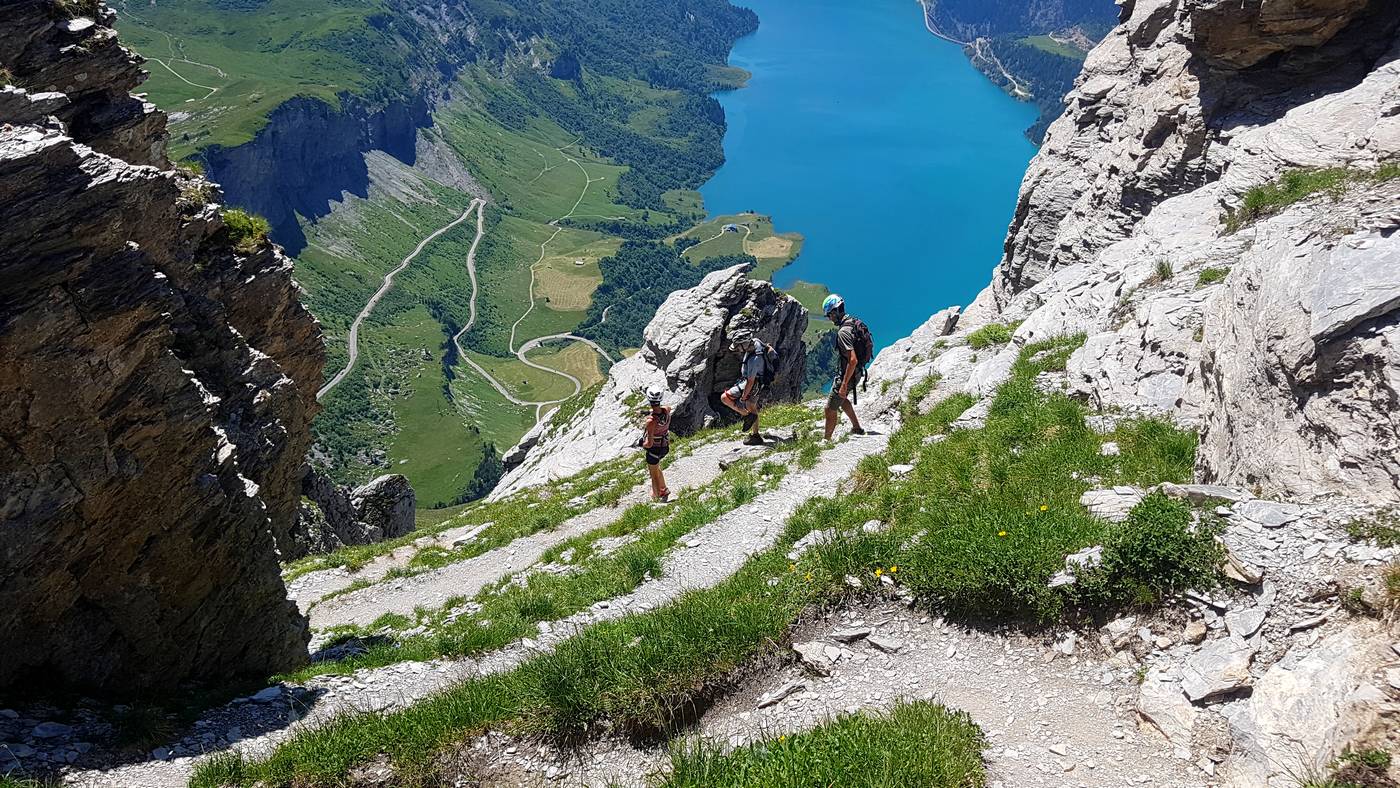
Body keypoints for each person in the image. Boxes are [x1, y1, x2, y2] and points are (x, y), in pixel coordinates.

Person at [821, 293, 872, 440]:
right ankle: (856, 428)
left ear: (835, 312)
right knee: (842, 400)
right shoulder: (853, 321)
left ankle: (826, 441)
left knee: (830, 409)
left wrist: (843, 384)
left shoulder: (843, 332)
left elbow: (852, 360)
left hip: (848, 374)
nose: (829, 318)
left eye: (829, 315)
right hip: (857, 372)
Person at [720, 331, 771, 446]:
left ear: (745, 343)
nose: (737, 349)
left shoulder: (754, 359)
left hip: (753, 383)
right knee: (751, 406)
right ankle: (755, 433)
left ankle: (748, 418)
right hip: (756, 381)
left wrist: (743, 397)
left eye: (738, 346)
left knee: (725, 398)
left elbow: (750, 381)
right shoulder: (756, 342)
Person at [639, 386, 672, 502]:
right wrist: (647, 412)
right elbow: (661, 409)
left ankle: (657, 497)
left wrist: (641, 444)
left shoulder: (651, 421)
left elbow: (649, 443)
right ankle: (663, 489)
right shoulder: (667, 410)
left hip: (654, 449)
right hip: (665, 446)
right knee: (657, 468)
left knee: (653, 474)